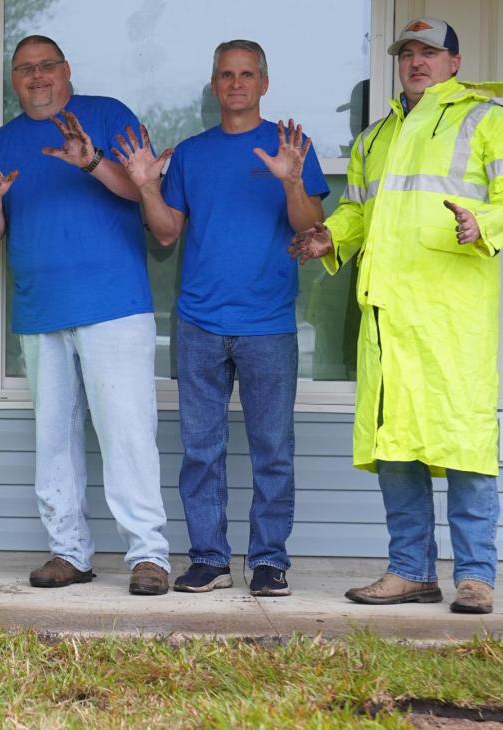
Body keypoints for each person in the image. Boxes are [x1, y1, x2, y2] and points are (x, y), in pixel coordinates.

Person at [289, 17, 503, 614]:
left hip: (453, 316)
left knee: (465, 444)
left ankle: (476, 576)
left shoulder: (488, 121)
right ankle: (410, 570)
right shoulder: (375, 138)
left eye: (430, 52)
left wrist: (483, 223)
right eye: (408, 53)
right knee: (396, 447)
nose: (417, 62)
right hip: (387, 318)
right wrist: (330, 237)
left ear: (455, 62)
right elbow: (360, 213)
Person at [116, 40, 329, 597]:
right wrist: (143, 185)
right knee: (201, 450)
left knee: (273, 450)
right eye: (226, 75)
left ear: (264, 82)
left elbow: (311, 225)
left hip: (269, 323)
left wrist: (289, 178)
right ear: (215, 85)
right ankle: (209, 558)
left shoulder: (292, 147)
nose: (236, 83)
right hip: (199, 324)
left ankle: (268, 562)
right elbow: (165, 232)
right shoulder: (191, 153)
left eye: (247, 74)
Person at [0, 35, 171, 596]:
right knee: (54, 438)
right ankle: (68, 551)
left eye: (46, 65)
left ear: (66, 69)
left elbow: (145, 192)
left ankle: (148, 555)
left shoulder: (109, 116)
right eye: (24, 69)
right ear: (14, 80)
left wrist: (94, 161)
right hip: (40, 310)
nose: (36, 77)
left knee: (126, 433)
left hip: (114, 305)